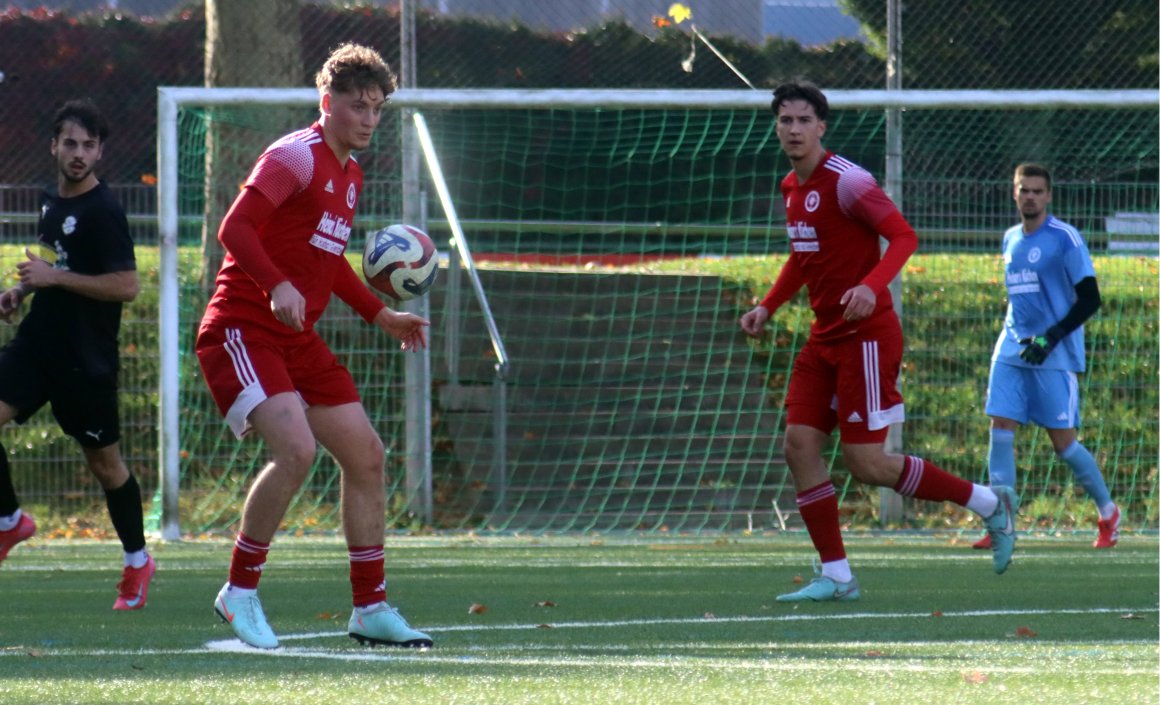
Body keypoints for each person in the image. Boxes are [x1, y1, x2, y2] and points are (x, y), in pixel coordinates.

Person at [739, 81, 1019, 601]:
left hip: (867, 338)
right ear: (776, 127)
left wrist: (871, 286)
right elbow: (805, 256)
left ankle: (987, 502)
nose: (794, 129)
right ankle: (838, 577)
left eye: (804, 120)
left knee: (867, 464)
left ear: (822, 126)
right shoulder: (790, 188)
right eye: (785, 121)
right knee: (799, 446)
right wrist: (767, 305)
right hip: (824, 337)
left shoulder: (848, 181)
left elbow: (905, 235)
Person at [196, 43, 433, 650]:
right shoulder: (293, 158)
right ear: (327, 103)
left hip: (297, 339)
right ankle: (239, 592)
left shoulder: (349, 175)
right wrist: (275, 284)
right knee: (297, 451)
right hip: (243, 328)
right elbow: (235, 228)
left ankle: (370, 607)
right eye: (358, 106)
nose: (369, 119)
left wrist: (381, 314)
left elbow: (329, 266)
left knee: (366, 456)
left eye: (378, 108)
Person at [0, 99, 154, 610]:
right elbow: (55, 265)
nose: (79, 153)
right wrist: (22, 292)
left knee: (106, 467)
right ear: (53, 146)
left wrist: (53, 278)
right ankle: (10, 522)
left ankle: (137, 561)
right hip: (37, 346)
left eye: (89, 145)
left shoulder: (104, 211)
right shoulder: (52, 202)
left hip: (84, 363)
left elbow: (127, 285)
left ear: (100, 152)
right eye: (70, 143)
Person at [970, 163, 1118, 551]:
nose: (1030, 196)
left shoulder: (1065, 238)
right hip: (1012, 347)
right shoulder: (1009, 239)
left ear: (1049, 195)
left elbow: (1091, 299)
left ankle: (1107, 512)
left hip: (1054, 353)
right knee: (1000, 427)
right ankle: (1001, 522)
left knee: (1063, 444)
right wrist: (1022, 337)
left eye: (1038, 191)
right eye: (1024, 190)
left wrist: (1049, 338)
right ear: (1014, 193)